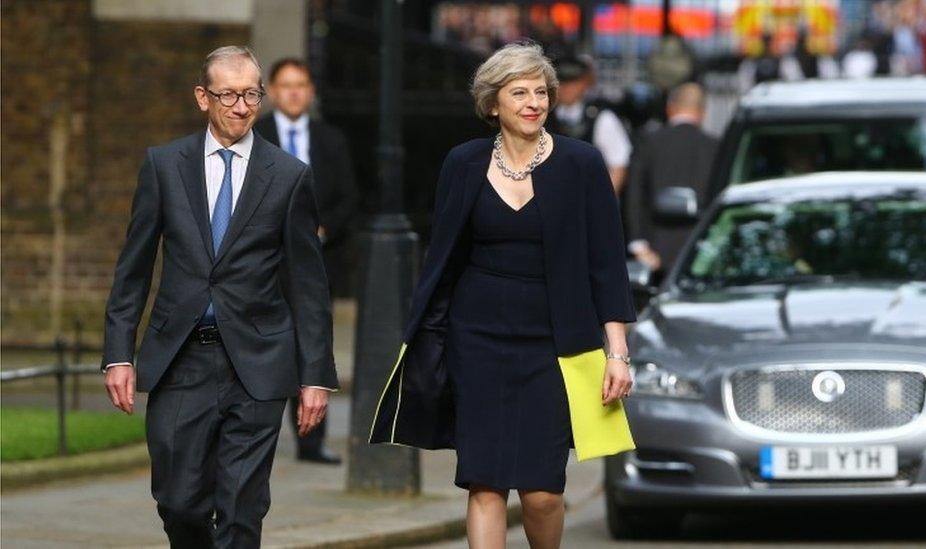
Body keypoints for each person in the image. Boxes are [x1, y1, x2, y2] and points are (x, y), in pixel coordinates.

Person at [369, 42, 636, 548]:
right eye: (520, 92)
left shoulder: (582, 164)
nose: (534, 102)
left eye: (541, 92)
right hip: (477, 343)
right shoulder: (463, 163)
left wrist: (616, 351)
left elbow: (606, 263)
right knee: (485, 482)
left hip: (553, 347)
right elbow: (444, 258)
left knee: (541, 492)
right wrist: (429, 341)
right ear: (493, 104)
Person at [100, 46, 337, 548]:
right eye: (228, 94)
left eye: (251, 93)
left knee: (241, 512)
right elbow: (134, 268)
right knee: (179, 501)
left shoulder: (289, 176)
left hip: (259, 363)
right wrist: (118, 353)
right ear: (202, 97)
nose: (241, 105)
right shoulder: (164, 165)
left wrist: (315, 374)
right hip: (181, 358)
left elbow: (308, 286)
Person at [255, 57, 358, 465]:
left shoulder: (331, 140)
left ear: (311, 91)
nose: (294, 92)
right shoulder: (255, 136)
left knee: (312, 345)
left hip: (316, 263)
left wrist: (321, 229)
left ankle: (311, 442)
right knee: (266, 345)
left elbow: (348, 197)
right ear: (273, 92)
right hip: (264, 262)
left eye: (301, 84)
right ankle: (259, 435)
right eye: (286, 85)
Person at [626, 82, 718, 276]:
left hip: (653, 254)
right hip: (701, 252)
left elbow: (634, 193)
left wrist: (638, 245)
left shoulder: (647, 142)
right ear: (703, 112)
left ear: (670, 108)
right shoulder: (715, 148)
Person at [546, 55, 632, 194]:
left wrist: (602, 202)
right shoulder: (544, 116)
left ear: (584, 84)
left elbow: (618, 165)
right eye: (562, 83)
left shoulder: (601, 118)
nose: (567, 88)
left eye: (573, 82)